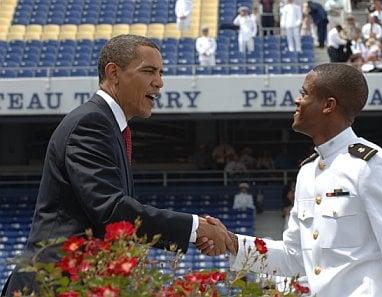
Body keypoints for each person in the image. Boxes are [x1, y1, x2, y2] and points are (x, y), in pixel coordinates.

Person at [2, 35, 234, 296]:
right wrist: (194, 228)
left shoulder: (108, 125)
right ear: (113, 73)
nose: (159, 82)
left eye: (160, 72)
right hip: (52, 283)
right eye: (148, 71)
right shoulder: (91, 123)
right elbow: (111, 210)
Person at [200, 63, 382, 296]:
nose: (297, 100)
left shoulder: (369, 165)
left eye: (304, 93)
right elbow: (294, 257)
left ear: (328, 105)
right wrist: (232, 242)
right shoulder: (308, 172)